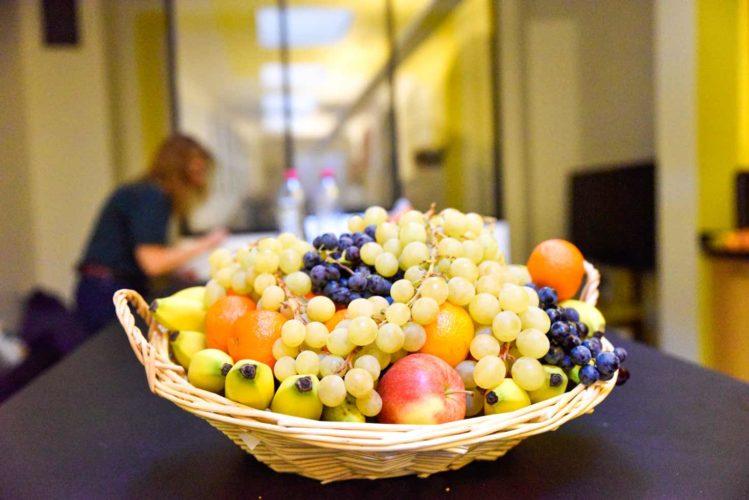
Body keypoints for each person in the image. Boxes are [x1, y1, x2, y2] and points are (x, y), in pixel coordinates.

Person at [75, 134, 226, 335]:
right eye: (197, 169)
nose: (200, 177)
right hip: (106, 291)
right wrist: (207, 243)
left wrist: (175, 272)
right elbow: (153, 263)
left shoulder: (143, 192)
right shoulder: (152, 196)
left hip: (101, 286)